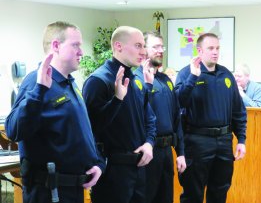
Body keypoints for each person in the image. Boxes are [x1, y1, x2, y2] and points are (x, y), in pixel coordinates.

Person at [5, 21, 104, 203]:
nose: (81, 52)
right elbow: (13, 130)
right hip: (49, 192)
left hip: (73, 189)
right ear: (56, 46)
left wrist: (96, 163)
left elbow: (81, 132)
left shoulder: (69, 83)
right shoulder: (36, 81)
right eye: (75, 45)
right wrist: (39, 90)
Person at [82, 26, 156, 203]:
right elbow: (91, 129)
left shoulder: (137, 79)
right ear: (118, 46)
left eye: (144, 46)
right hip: (112, 171)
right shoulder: (98, 81)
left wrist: (149, 143)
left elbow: (150, 118)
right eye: (138, 46)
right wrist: (117, 99)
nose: (144, 52)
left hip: (138, 168)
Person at [175, 33, 247, 203]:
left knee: (220, 191)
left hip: (223, 141)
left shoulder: (226, 74)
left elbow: (238, 110)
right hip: (197, 141)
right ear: (199, 50)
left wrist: (242, 140)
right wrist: (193, 77)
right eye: (210, 48)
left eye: (217, 48)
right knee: (193, 193)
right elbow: (178, 102)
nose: (215, 52)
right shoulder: (187, 74)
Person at [134, 31, 186, 203]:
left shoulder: (166, 80)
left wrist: (181, 153)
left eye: (161, 46)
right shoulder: (135, 79)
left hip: (166, 152)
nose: (160, 50)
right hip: (147, 153)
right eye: (155, 46)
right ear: (143, 49)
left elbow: (176, 119)